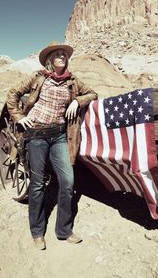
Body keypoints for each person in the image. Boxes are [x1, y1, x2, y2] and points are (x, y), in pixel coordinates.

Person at [6, 42, 98, 250]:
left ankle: (64, 231)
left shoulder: (72, 81)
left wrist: (78, 101)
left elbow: (93, 93)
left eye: (64, 54)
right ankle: (37, 232)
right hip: (37, 135)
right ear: (50, 59)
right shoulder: (38, 77)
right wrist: (19, 116)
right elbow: (12, 93)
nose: (61, 56)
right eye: (57, 54)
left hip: (59, 137)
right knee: (37, 184)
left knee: (67, 181)